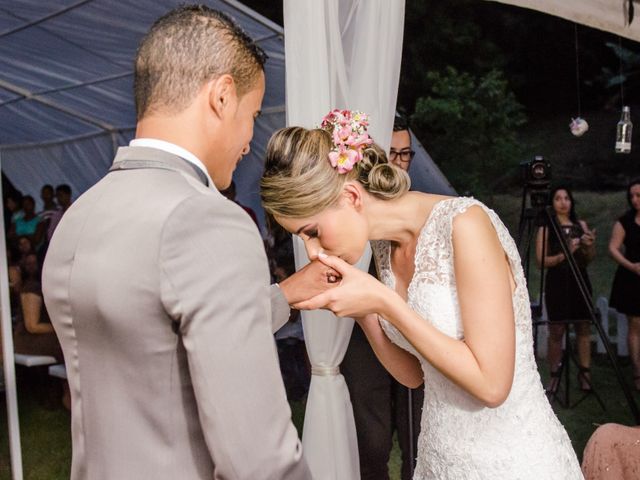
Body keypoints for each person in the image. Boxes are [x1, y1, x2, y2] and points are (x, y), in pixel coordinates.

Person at [43, 6, 334, 479]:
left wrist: (285, 297)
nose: (248, 141)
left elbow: (152, 334)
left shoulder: (80, 216)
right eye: (252, 115)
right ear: (222, 96)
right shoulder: (207, 220)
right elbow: (259, 459)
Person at [260, 110, 583, 479]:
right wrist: (363, 312)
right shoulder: (384, 247)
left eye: (312, 231)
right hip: (441, 457)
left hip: (511, 460)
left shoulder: (465, 224)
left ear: (351, 195)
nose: (313, 251)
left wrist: (385, 303)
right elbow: (415, 374)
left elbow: (492, 385)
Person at [341, 112, 422, 480]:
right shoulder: (352, 207)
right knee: (370, 436)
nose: (399, 163)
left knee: (417, 431)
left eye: (405, 154)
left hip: (416, 334)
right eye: (391, 153)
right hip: (363, 335)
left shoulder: (420, 210)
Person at [535, 186, 596, 394]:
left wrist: (588, 246)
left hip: (579, 279)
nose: (563, 202)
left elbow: (588, 260)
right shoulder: (547, 228)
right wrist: (565, 253)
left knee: (583, 327)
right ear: (552, 203)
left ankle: (585, 374)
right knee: (557, 330)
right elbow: (540, 260)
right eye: (558, 198)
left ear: (572, 201)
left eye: (567, 198)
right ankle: (553, 376)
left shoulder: (581, 225)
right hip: (558, 281)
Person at [609, 178, 640, 391]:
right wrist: (632, 266)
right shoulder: (625, 221)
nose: (635, 200)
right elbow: (613, 248)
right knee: (635, 326)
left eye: (639, 195)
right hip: (632, 278)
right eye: (632, 196)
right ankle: (637, 373)